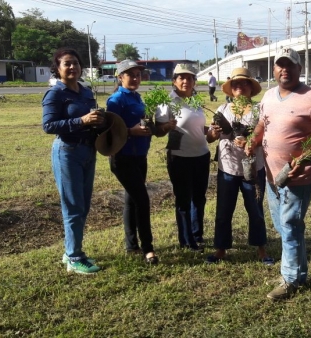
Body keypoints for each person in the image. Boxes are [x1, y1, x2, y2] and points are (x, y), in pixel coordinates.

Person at [247, 48, 311, 300]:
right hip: (271, 176)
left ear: (300, 68)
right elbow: (262, 124)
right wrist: (253, 141)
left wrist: (306, 158)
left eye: (290, 65)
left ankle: (290, 279)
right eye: (280, 65)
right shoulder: (268, 96)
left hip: (298, 176)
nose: (285, 70)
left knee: (289, 226)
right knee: (283, 225)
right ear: (274, 69)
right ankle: (296, 272)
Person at [42, 48, 103, 274]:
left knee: (83, 205)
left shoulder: (85, 92)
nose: (72, 67)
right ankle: (74, 257)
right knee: (73, 206)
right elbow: (48, 126)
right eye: (66, 63)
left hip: (88, 151)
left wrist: (99, 120)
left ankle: (70, 249)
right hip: (67, 152)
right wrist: (82, 120)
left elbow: (92, 119)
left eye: (75, 63)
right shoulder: (55, 94)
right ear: (57, 68)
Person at [204, 67, 273, 265]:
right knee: (224, 211)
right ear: (231, 89)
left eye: (244, 83)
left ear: (251, 88)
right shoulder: (222, 110)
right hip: (227, 168)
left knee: (256, 209)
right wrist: (214, 134)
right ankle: (221, 249)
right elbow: (209, 137)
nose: (240, 87)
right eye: (236, 84)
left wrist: (250, 143)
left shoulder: (259, 110)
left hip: (253, 168)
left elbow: (267, 137)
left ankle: (261, 248)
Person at [106, 60, 159, 264]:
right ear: (120, 77)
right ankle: (148, 249)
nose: (135, 78)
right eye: (131, 75)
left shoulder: (137, 97)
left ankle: (131, 245)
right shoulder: (116, 100)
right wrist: (131, 131)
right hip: (123, 158)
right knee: (142, 200)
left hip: (140, 156)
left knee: (131, 200)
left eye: (138, 74)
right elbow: (110, 131)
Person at [155, 64, 210, 252]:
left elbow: (197, 127)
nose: (186, 81)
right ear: (174, 81)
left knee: (199, 198)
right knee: (184, 200)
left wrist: (211, 131)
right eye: (181, 78)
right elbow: (159, 131)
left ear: (195, 81)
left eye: (190, 78)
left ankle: (197, 235)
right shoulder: (167, 102)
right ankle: (186, 240)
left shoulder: (195, 101)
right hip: (180, 157)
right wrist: (166, 127)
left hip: (202, 155)